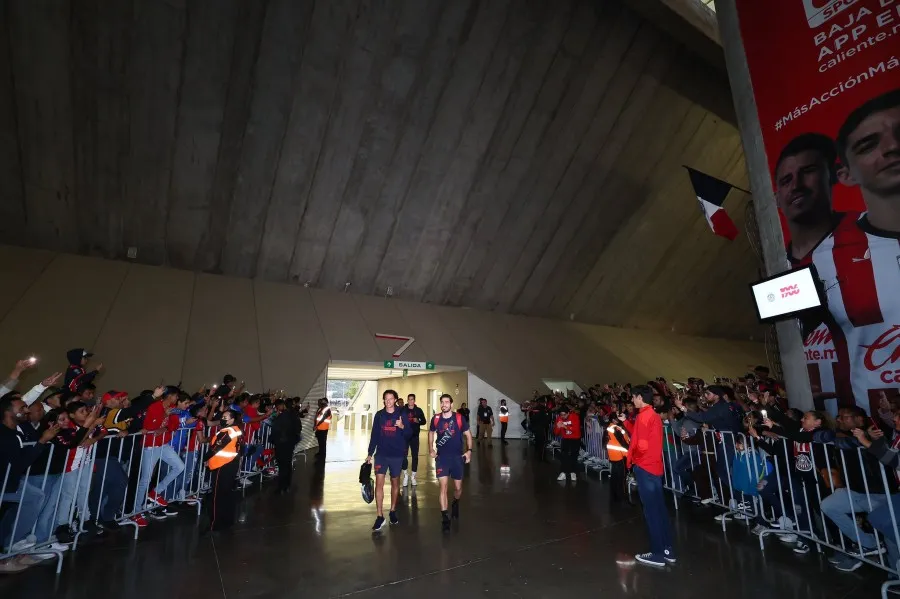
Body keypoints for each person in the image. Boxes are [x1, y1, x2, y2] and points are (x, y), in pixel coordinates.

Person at [812, 88, 900, 413]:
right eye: (869, 144)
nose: (892, 147)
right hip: (882, 430)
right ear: (846, 175)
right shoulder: (826, 255)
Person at [627, 384, 675, 567]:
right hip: (655, 467)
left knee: (651, 512)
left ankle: (656, 553)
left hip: (645, 467)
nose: (632, 400)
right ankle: (667, 549)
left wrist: (635, 461)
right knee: (660, 510)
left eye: (633, 397)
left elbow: (642, 445)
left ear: (640, 397)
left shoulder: (644, 416)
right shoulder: (654, 415)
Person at [366, 390, 411, 531]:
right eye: (386, 399)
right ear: (383, 400)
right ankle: (380, 516)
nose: (388, 401)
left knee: (394, 482)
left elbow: (409, 433)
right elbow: (374, 435)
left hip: (397, 454)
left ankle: (392, 511)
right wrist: (369, 453)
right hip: (381, 454)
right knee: (378, 483)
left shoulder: (401, 414)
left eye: (391, 399)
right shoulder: (379, 415)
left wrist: (402, 426)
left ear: (395, 400)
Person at [429, 394, 472, 532]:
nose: (444, 404)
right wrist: (431, 448)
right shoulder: (436, 419)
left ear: (451, 404)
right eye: (442, 402)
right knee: (443, 487)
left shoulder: (459, 418)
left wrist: (469, 450)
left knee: (458, 488)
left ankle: (455, 502)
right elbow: (430, 433)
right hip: (442, 458)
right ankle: (445, 518)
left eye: (447, 402)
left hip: (457, 458)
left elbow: (468, 435)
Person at [204, 409, 243, 532]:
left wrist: (206, 458)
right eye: (222, 416)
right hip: (231, 463)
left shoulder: (227, 431)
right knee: (227, 494)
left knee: (217, 496)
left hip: (222, 465)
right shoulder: (237, 429)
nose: (223, 418)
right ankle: (228, 521)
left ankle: (215, 524)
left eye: (225, 417)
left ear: (232, 419)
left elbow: (215, 447)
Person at [270, 399, 300, 494]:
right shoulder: (294, 415)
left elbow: (275, 429)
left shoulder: (281, 417)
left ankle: (281, 487)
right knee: (287, 464)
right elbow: (299, 428)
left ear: (283, 405)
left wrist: (272, 440)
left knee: (282, 465)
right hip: (290, 443)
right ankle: (287, 485)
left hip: (281, 444)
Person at [401, 393, 426, 487]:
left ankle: (413, 476)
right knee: (404, 456)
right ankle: (405, 475)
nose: (410, 401)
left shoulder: (418, 410)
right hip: (405, 436)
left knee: (415, 456)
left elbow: (424, 421)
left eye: (412, 399)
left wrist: (418, 421)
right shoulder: (403, 410)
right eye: (409, 399)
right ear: (407, 400)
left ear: (414, 400)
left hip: (415, 436)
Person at [606, 412, 631, 502]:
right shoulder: (616, 428)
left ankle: (615, 496)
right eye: (618, 417)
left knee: (614, 476)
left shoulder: (610, 427)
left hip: (614, 455)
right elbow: (623, 443)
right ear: (614, 419)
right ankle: (623, 497)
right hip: (620, 455)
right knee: (621, 478)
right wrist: (629, 454)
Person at [553, 404, 581, 482]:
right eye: (561, 415)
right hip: (565, 439)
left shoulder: (574, 417)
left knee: (573, 455)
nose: (563, 416)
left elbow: (576, 429)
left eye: (564, 415)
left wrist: (565, 427)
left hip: (575, 438)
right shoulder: (559, 418)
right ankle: (563, 472)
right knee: (564, 455)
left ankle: (573, 472)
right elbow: (556, 432)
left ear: (568, 413)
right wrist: (558, 427)